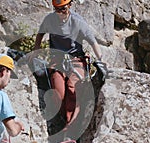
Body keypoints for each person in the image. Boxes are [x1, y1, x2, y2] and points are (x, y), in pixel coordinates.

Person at [29, 0, 106, 133]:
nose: (60, 13)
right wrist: (35, 51)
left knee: (73, 89)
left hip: (76, 59)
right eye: (57, 9)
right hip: (57, 59)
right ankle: (65, 121)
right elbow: (40, 34)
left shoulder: (77, 22)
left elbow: (93, 42)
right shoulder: (50, 20)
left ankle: (70, 128)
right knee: (59, 94)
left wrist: (101, 59)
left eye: (63, 9)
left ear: (69, 6)